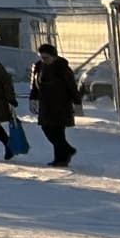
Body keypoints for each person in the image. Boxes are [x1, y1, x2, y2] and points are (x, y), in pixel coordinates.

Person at [31, 39, 81, 168]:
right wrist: (33, 98)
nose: (44, 60)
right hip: (45, 103)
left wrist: (77, 102)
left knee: (58, 131)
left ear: (54, 56)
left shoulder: (62, 68)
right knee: (47, 128)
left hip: (60, 104)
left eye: (46, 57)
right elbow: (35, 86)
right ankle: (66, 151)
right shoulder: (38, 67)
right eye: (42, 57)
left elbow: (71, 86)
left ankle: (61, 159)